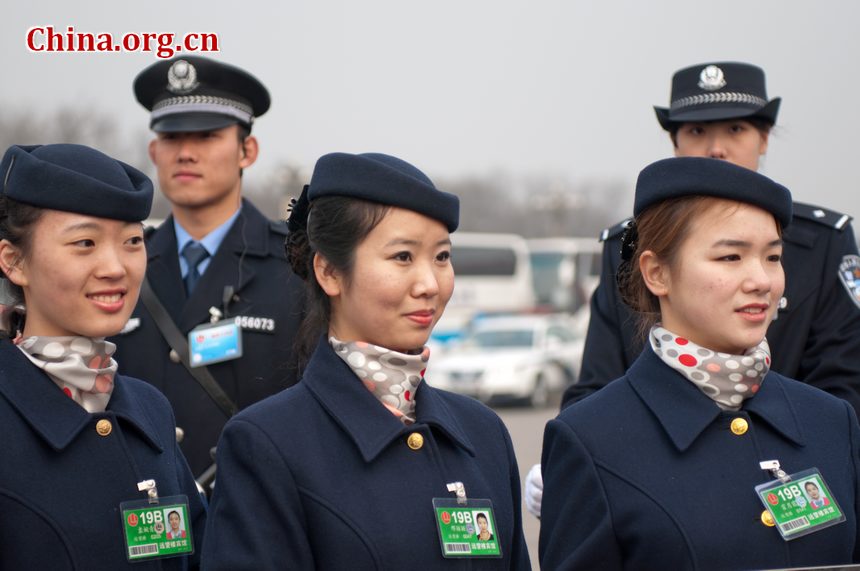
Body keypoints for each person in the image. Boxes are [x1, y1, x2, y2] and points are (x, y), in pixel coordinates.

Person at [527, 61, 860, 518]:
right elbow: (598, 381)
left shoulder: (821, 241)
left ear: (764, 139)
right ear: (674, 143)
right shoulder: (628, 246)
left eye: (737, 129)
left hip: (797, 475)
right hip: (659, 481)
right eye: (698, 131)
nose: (716, 149)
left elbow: (845, 388)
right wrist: (581, 454)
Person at [202, 152, 530, 569]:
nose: (430, 284)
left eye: (442, 257)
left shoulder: (483, 434)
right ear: (330, 272)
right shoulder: (266, 445)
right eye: (403, 257)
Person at [539, 157, 860, 570]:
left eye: (773, 257)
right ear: (657, 273)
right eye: (730, 257)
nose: (761, 280)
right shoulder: (590, 440)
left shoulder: (831, 421)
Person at [0, 143, 205, 569]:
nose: (115, 267)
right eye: (85, 242)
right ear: (14, 261)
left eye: (132, 240)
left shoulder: (149, 411)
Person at [111, 55, 305, 479]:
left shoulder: (299, 268)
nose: (185, 152)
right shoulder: (119, 265)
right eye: (172, 137)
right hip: (143, 522)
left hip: (257, 520)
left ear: (247, 150)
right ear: (153, 150)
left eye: (206, 136)